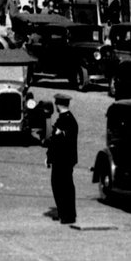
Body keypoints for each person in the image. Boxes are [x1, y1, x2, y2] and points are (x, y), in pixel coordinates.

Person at [45, 93, 78, 224]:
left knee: (63, 187)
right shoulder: (65, 119)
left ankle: (67, 215)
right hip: (62, 160)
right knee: (61, 187)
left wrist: (50, 157)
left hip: (63, 160)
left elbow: (59, 141)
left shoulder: (67, 120)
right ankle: (64, 213)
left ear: (58, 105)